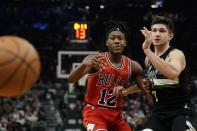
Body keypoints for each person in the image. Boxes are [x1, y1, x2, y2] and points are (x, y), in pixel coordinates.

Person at [68, 20, 148, 131]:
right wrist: (83, 65)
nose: (116, 41)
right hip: (94, 113)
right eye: (113, 38)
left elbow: (143, 86)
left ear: (125, 42)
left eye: (120, 38)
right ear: (106, 42)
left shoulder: (133, 66)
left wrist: (126, 90)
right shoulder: (95, 59)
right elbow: (71, 79)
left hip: (117, 116)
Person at [140, 15, 196, 131]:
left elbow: (172, 73)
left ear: (170, 36)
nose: (157, 34)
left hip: (180, 112)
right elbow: (150, 89)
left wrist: (147, 50)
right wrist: (124, 90)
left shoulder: (176, 54)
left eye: (162, 31)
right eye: (154, 30)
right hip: (158, 114)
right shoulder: (148, 60)